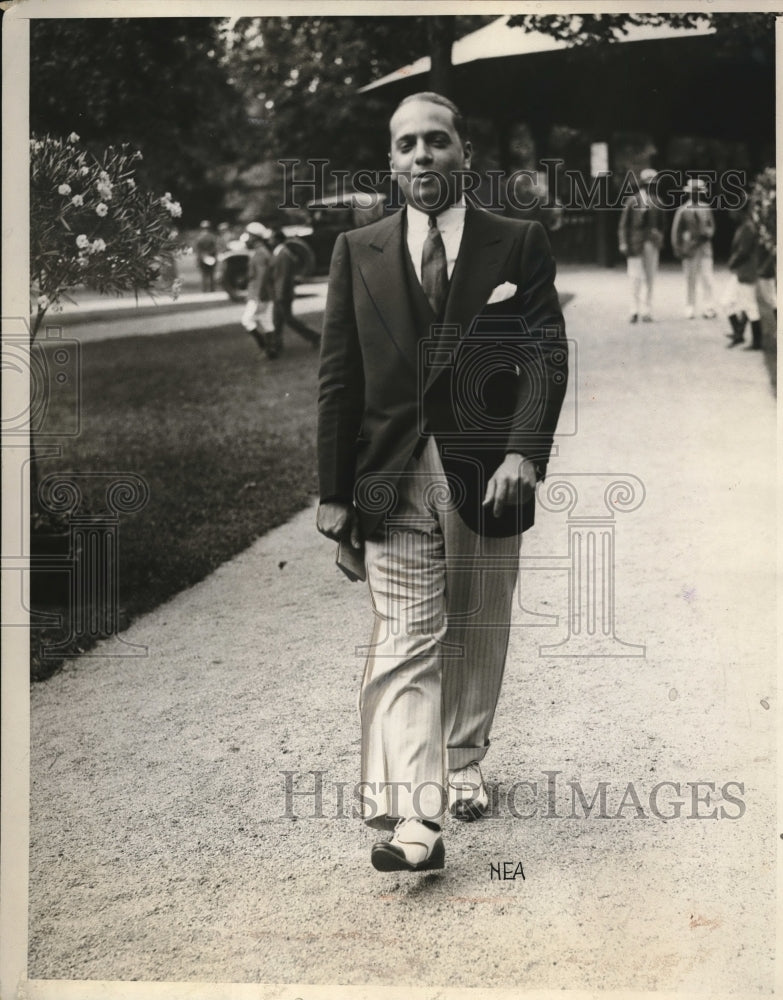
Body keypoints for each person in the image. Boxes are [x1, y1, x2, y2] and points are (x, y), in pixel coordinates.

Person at [316, 92, 568, 872]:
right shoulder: (355, 251)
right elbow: (337, 379)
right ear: (390, 164)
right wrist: (332, 491)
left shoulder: (516, 242)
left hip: (488, 471)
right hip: (387, 473)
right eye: (405, 146)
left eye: (436, 142)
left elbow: (542, 355)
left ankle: (464, 756)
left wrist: (523, 453)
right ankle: (418, 819)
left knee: (477, 621)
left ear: (463, 153)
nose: (421, 156)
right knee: (405, 639)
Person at [617, 168, 664, 323]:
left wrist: (658, 236)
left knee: (650, 277)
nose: (650, 186)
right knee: (635, 278)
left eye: (653, 184)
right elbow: (623, 224)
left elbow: (663, 224)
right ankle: (634, 310)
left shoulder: (658, 202)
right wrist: (623, 242)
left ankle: (647, 310)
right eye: (647, 184)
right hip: (635, 244)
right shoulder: (632, 201)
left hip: (651, 243)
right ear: (642, 184)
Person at [264, 230, 321, 358]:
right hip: (280, 293)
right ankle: (277, 345)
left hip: (282, 294)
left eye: (271, 238)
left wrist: (279, 295)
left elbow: (283, 277)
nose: (269, 241)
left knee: (288, 319)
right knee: (277, 320)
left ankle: (315, 336)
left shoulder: (283, 254)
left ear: (278, 239)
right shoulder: (279, 252)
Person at [671, 178, 716, 319]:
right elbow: (676, 232)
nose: (695, 195)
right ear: (689, 193)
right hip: (690, 250)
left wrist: (707, 233)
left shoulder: (706, 208)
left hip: (704, 249)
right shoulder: (683, 210)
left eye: (698, 192)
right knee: (690, 279)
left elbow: (712, 226)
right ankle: (690, 307)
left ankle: (709, 307)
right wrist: (678, 248)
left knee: (707, 278)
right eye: (693, 193)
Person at [723, 207, 762, 350]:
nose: (730, 213)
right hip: (741, 271)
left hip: (746, 271)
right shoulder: (745, 226)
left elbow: (743, 252)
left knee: (750, 306)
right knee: (727, 302)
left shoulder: (748, 228)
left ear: (741, 211)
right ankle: (738, 333)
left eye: (733, 210)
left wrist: (732, 262)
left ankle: (757, 341)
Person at [240, 222, 274, 352]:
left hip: (259, 294)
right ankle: (270, 349)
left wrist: (258, 296)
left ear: (254, 237)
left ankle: (264, 346)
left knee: (246, 320)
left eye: (248, 235)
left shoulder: (260, 253)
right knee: (266, 322)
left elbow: (261, 276)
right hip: (263, 293)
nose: (246, 238)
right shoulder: (260, 251)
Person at [194, 220, 218, 293]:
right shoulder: (212, 236)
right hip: (211, 256)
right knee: (211, 274)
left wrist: (200, 257)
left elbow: (197, 249)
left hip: (202, 257)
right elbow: (215, 248)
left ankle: (204, 289)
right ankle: (212, 289)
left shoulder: (199, 237)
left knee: (204, 274)